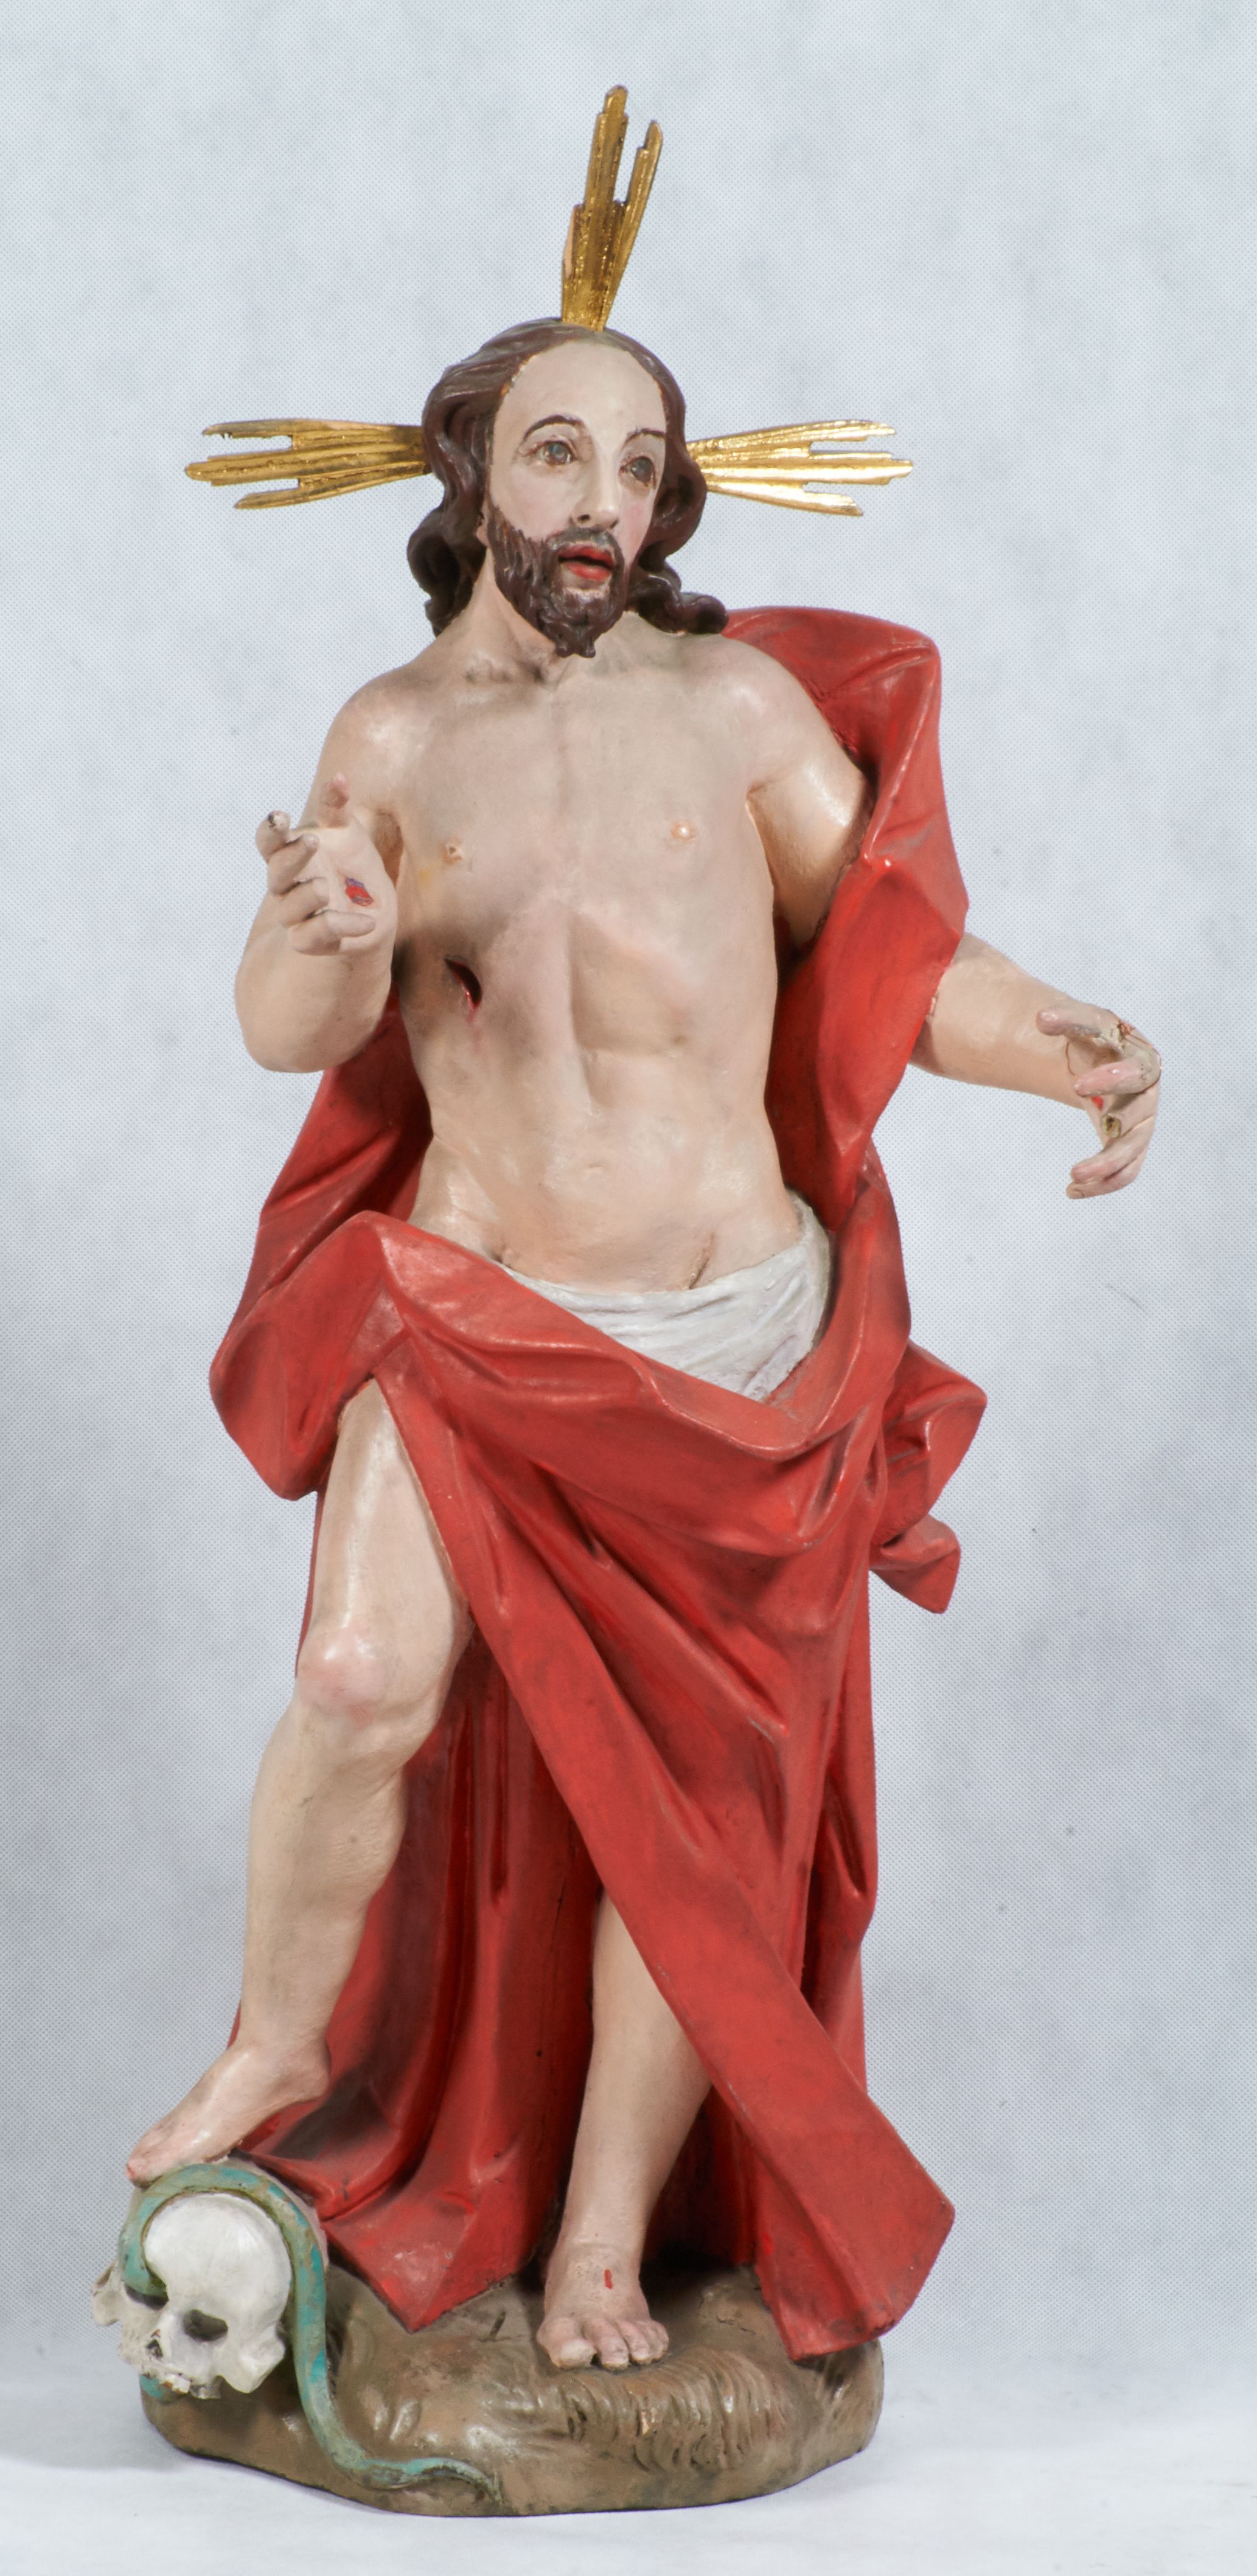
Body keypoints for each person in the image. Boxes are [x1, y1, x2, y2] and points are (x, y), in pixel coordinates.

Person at [127, 314, 1159, 2374]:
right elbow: (289, 1020)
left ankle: (603, 2237)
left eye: (636, 462)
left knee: (689, 1840)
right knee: (355, 1676)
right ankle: (275, 2039)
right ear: (470, 479)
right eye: (554, 454)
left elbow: (893, 952)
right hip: (478, 1314)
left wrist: (1060, 1041)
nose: (599, 502)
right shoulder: (395, 736)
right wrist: (323, 936)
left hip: (727, 1340)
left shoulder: (732, 707)